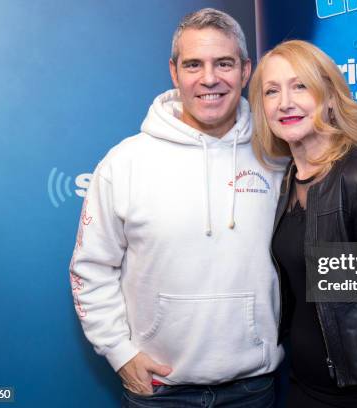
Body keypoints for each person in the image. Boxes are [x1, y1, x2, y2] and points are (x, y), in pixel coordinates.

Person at [69, 9, 284, 407]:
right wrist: (120, 352)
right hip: (159, 392)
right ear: (174, 72)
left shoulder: (276, 157)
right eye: (193, 64)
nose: (209, 78)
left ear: (246, 70)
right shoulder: (124, 163)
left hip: (253, 387)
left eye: (224, 63)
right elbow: (91, 268)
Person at [249, 40, 357, 408]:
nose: (285, 102)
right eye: (271, 91)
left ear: (330, 97)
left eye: (300, 86)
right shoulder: (288, 179)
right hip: (300, 387)